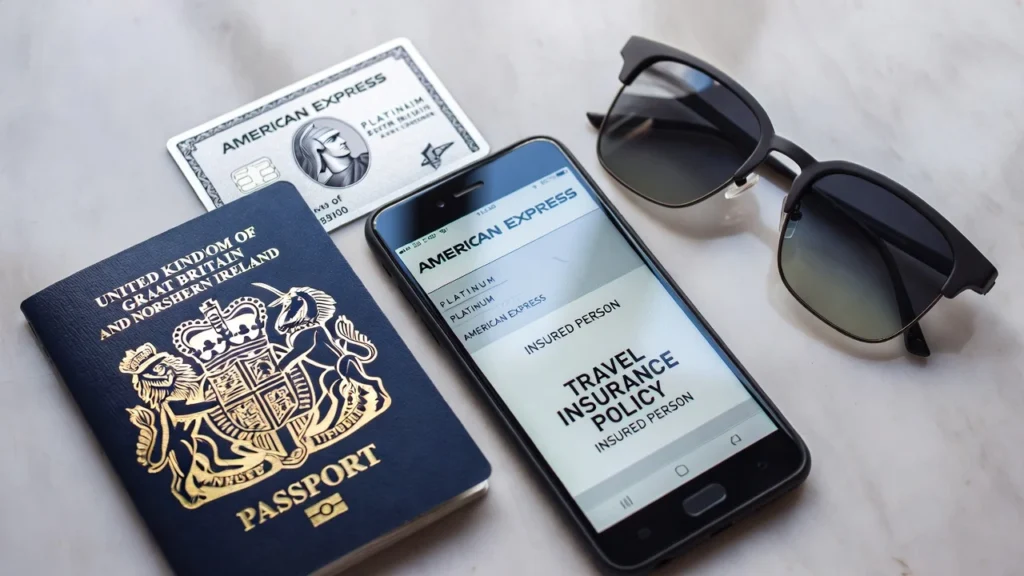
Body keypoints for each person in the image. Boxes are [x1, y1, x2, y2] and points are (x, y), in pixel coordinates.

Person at [295, 123, 369, 187]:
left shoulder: (367, 159)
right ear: (317, 149)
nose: (343, 141)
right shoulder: (334, 186)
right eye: (332, 139)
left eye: (338, 136)